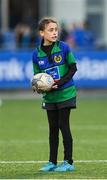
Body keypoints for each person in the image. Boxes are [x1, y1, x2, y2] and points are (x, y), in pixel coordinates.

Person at [32, 17, 77, 172]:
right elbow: (37, 77)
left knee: (63, 126)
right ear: (41, 33)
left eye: (56, 29)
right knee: (52, 129)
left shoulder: (64, 48)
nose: (54, 32)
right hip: (50, 97)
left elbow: (73, 68)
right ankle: (52, 162)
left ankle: (69, 162)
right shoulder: (36, 54)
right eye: (50, 30)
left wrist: (59, 83)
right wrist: (39, 87)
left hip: (66, 93)